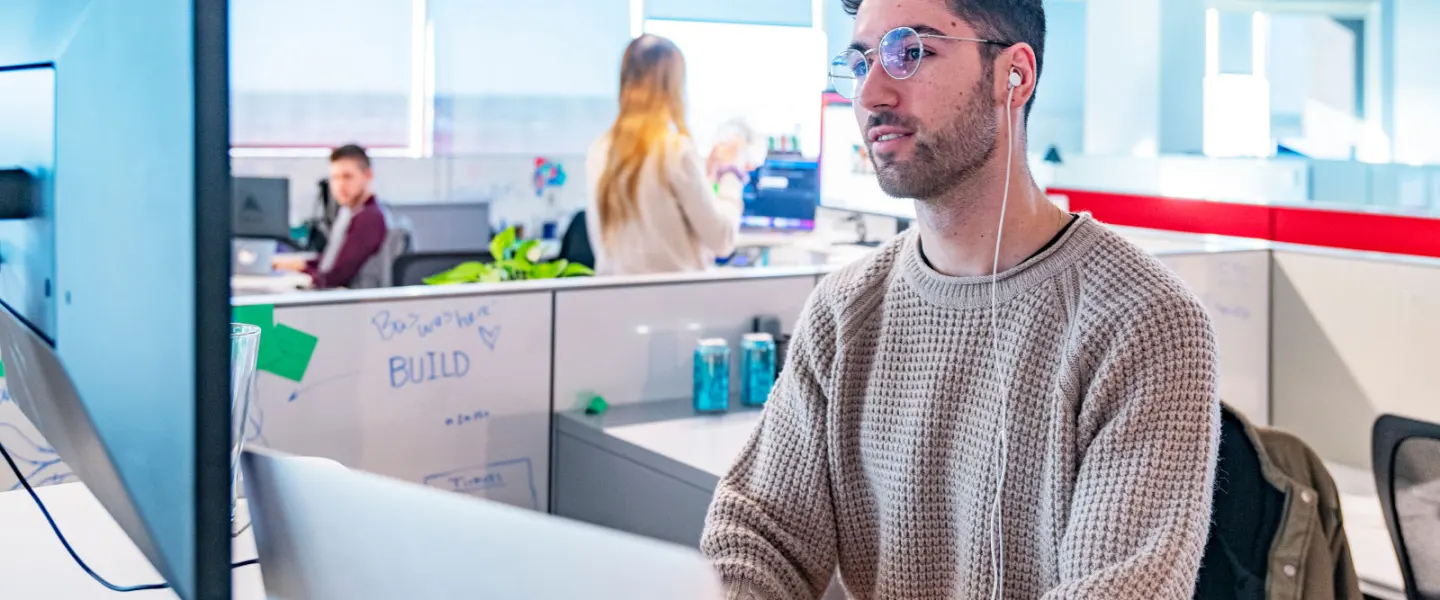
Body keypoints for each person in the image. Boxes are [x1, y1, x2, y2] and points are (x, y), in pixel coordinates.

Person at [699, 1, 1220, 599]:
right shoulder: (845, 311)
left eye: (909, 52)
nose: (871, 93)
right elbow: (762, 536)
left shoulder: (1145, 321)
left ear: (1014, 76)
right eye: (861, 60)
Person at [585, 34, 745, 276]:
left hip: (615, 305)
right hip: (675, 305)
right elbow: (721, 239)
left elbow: (662, 232)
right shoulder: (673, 150)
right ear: (672, 86)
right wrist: (730, 173)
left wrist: (706, 178)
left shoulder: (600, 150)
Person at [274, 144, 388, 289]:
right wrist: (300, 265)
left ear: (368, 176)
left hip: (346, 302)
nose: (340, 185)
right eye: (335, 178)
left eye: (347, 177)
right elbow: (334, 261)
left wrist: (303, 272)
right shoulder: (351, 213)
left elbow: (335, 276)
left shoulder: (368, 219)